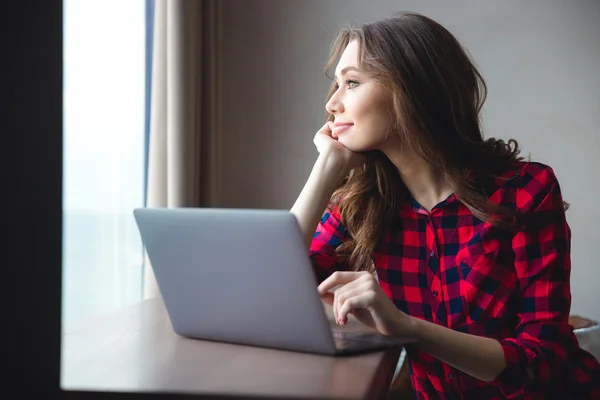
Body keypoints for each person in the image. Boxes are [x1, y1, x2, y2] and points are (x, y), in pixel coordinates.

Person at [290, 11, 600, 399]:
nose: (333, 103)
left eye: (351, 82)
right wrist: (326, 168)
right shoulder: (362, 204)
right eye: (335, 85)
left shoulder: (525, 191)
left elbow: (542, 360)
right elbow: (272, 289)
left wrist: (407, 326)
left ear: (413, 89)